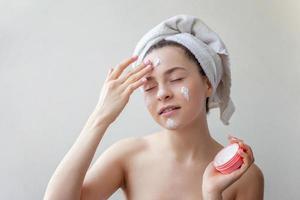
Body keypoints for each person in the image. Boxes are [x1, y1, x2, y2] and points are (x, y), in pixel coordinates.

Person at [44, 15, 264, 200]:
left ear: (208, 84)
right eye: (149, 86)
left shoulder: (243, 175)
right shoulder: (128, 155)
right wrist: (100, 117)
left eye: (176, 78)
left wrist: (212, 193)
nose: (162, 93)